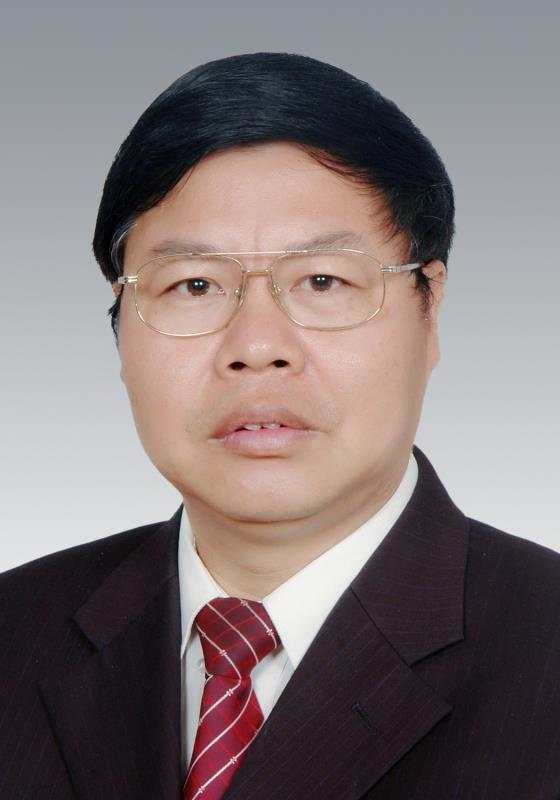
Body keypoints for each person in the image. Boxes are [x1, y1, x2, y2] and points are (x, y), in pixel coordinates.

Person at [1, 52, 559, 800]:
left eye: (323, 281)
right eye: (194, 285)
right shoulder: (15, 633)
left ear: (430, 311)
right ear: (120, 326)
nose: (258, 347)